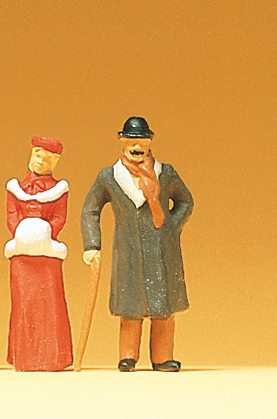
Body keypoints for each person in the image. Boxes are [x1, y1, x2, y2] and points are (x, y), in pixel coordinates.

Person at [81, 116, 193, 372]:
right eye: (132, 141)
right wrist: (92, 244)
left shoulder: (166, 173)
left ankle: (163, 357)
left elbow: (186, 201)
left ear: (149, 142)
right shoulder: (109, 177)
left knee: (163, 309)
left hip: (162, 253)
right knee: (130, 308)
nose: (137, 146)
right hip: (128, 251)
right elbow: (90, 209)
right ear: (122, 141)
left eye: (142, 141)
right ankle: (127, 357)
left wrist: (171, 228)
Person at [5, 136, 73, 371]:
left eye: (46, 159)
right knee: (23, 302)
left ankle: (52, 356)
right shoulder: (15, 188)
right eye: (37, 156)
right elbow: (12, 215)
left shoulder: (59, 190)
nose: (40, 162)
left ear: (53, 162)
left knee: (49, 302)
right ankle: (24, 356)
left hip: (47, 255)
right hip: (22, 255)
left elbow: (59, 217)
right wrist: (22, 234)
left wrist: (45, 235)